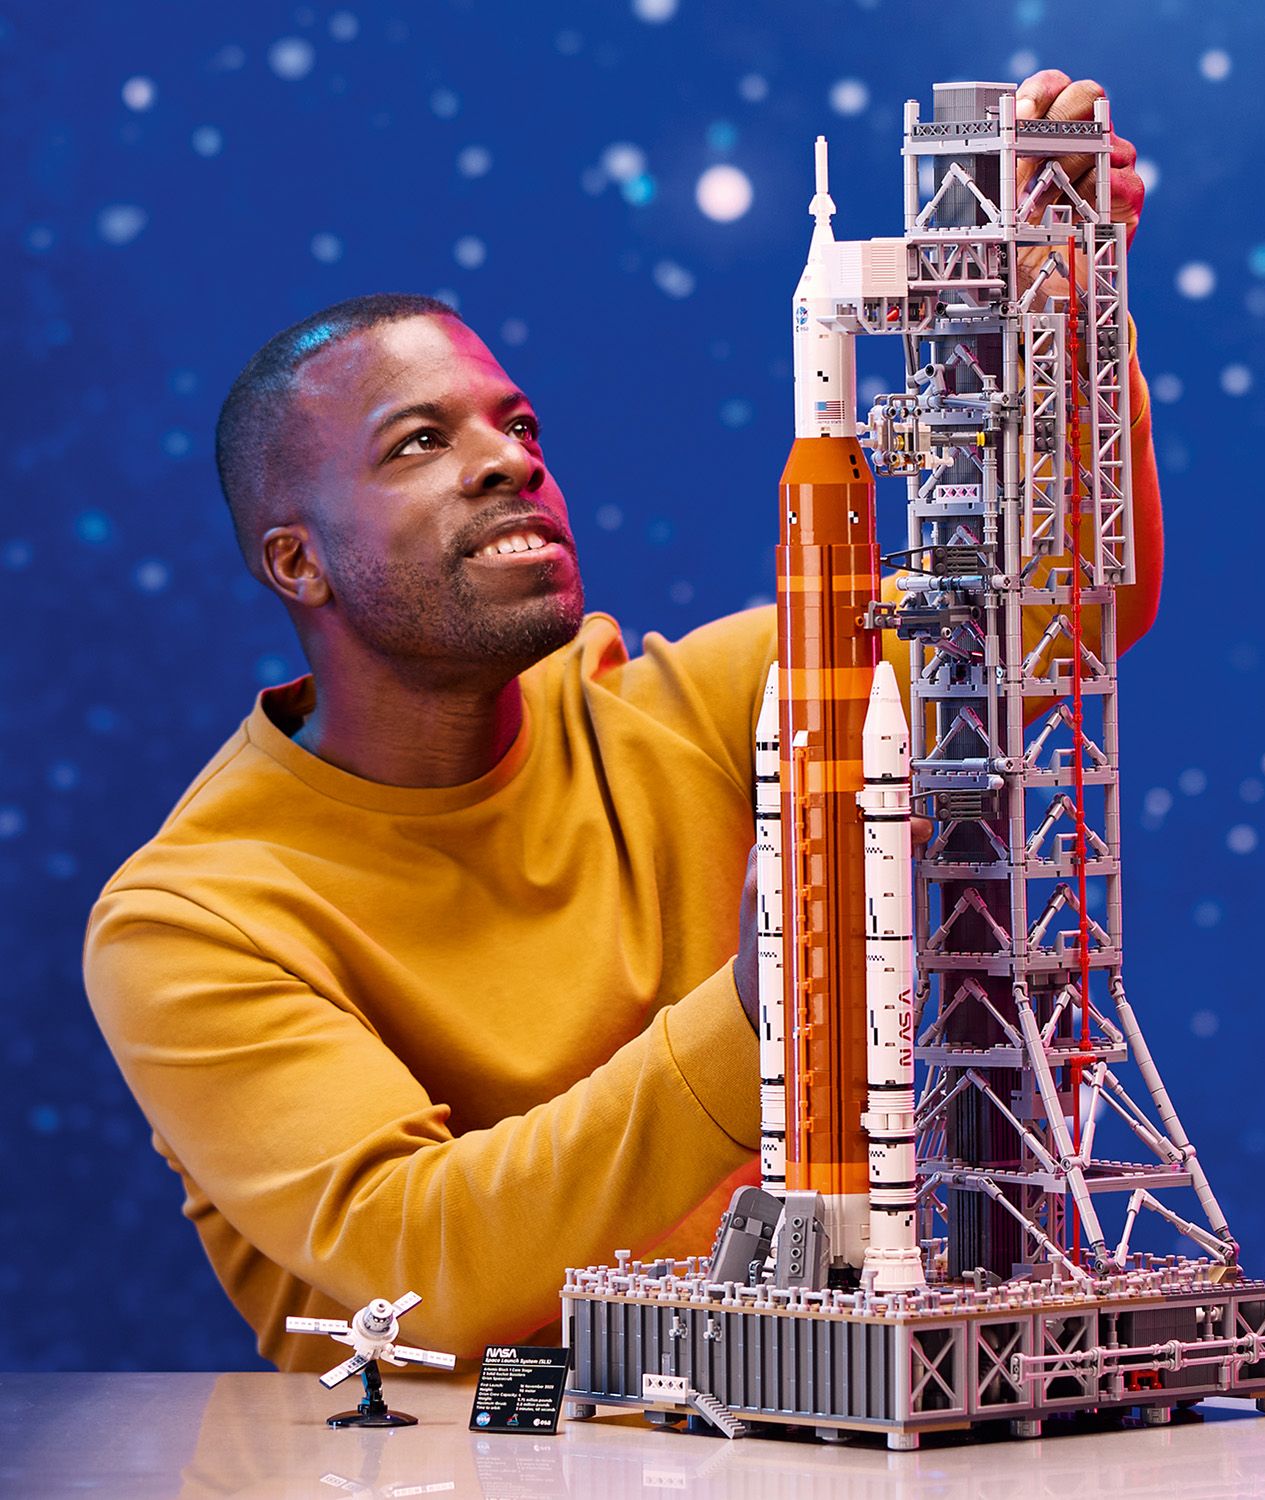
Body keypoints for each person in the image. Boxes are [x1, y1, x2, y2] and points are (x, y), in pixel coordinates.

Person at [84, 70, 1163, 1372]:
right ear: (295, 562)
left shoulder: (699, 711)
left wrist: (1070, 324)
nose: (509, 459)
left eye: (518, 423)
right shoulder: (193, 920)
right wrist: (763, 1007)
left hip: (779, 1429)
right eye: (418, 442)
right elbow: (416, 1264)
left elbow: (1061, 618)